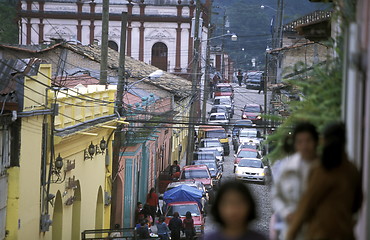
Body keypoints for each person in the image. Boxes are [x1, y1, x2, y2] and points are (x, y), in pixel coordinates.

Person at [287, 123, 363, 240]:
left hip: (320, 234)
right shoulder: (352, 170)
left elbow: (306, 204)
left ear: (323, 141)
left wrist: (291, 234)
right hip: (345, 234)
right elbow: (357, 204)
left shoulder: (322, 170)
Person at [271, 122, 319, 240]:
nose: (304, 146)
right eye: (300, 142)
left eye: (308, 141)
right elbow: (276, 196)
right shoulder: (287, 167)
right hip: (291, 231)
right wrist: (286, 213)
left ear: (316, 142)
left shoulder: (323, 169)